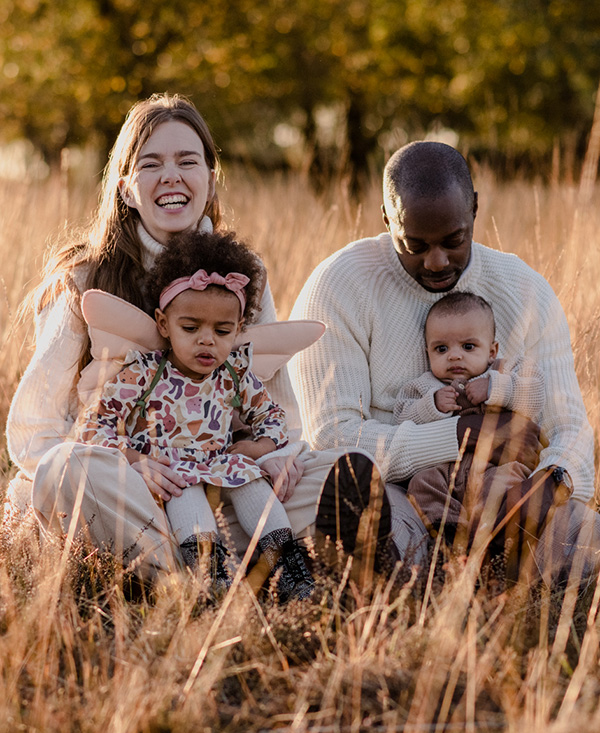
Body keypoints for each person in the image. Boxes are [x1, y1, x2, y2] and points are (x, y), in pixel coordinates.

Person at [5, 93, 392, 583]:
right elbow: (33, 432)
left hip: (221, 483)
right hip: (128, 491)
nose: (171, 175)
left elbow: (277, 410)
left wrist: (272, 456)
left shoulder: (244, 276)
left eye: (188, 161)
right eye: (151, 163)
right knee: (64, 470)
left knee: (333, 468)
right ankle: (196, 582)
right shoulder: (85, 278)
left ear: (210, 180)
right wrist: (130, 463)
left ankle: (245, 561)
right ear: (126, 188)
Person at [290, 140, 599, 584]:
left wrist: (551, 485)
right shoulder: (338, 286)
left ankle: (498, 567)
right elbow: (332, 437)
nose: (436, 262)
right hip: (401, 492)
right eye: (413, 244)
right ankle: (418, 580)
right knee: (378, 526)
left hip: (508, 492)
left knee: (587, 541)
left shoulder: (523, 289)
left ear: (474, 209)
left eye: (453, 241)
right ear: (385, 218)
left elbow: (569, 424)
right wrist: (461, 434)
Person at [76, 230, 315, 601]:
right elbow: (97, 423)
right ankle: (211, 578)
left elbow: (270, 415)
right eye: (191, 328)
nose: (207, 340)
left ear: (238, 330)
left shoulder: (234, 374)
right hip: (169, 470)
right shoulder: (145, 372)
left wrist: (257, 449)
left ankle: (287, 569)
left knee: (252, 482)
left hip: (221, 464)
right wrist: (135, 459)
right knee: (183, 496)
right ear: (162, 324)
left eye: (222, 331)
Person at [394, 291, 544, 548]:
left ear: (492, 350)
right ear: (427, 352)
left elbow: (536, 394)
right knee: (421, 484)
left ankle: (496, 538)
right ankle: (449, 535)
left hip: (495, 466)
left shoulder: (504, 371)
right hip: (445, 470)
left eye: (468, 347)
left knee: (503, 488)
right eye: (441, 349)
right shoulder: (424, 386)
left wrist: (495, 389)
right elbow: (401, 417)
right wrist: (432, 406)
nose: (454, 356)